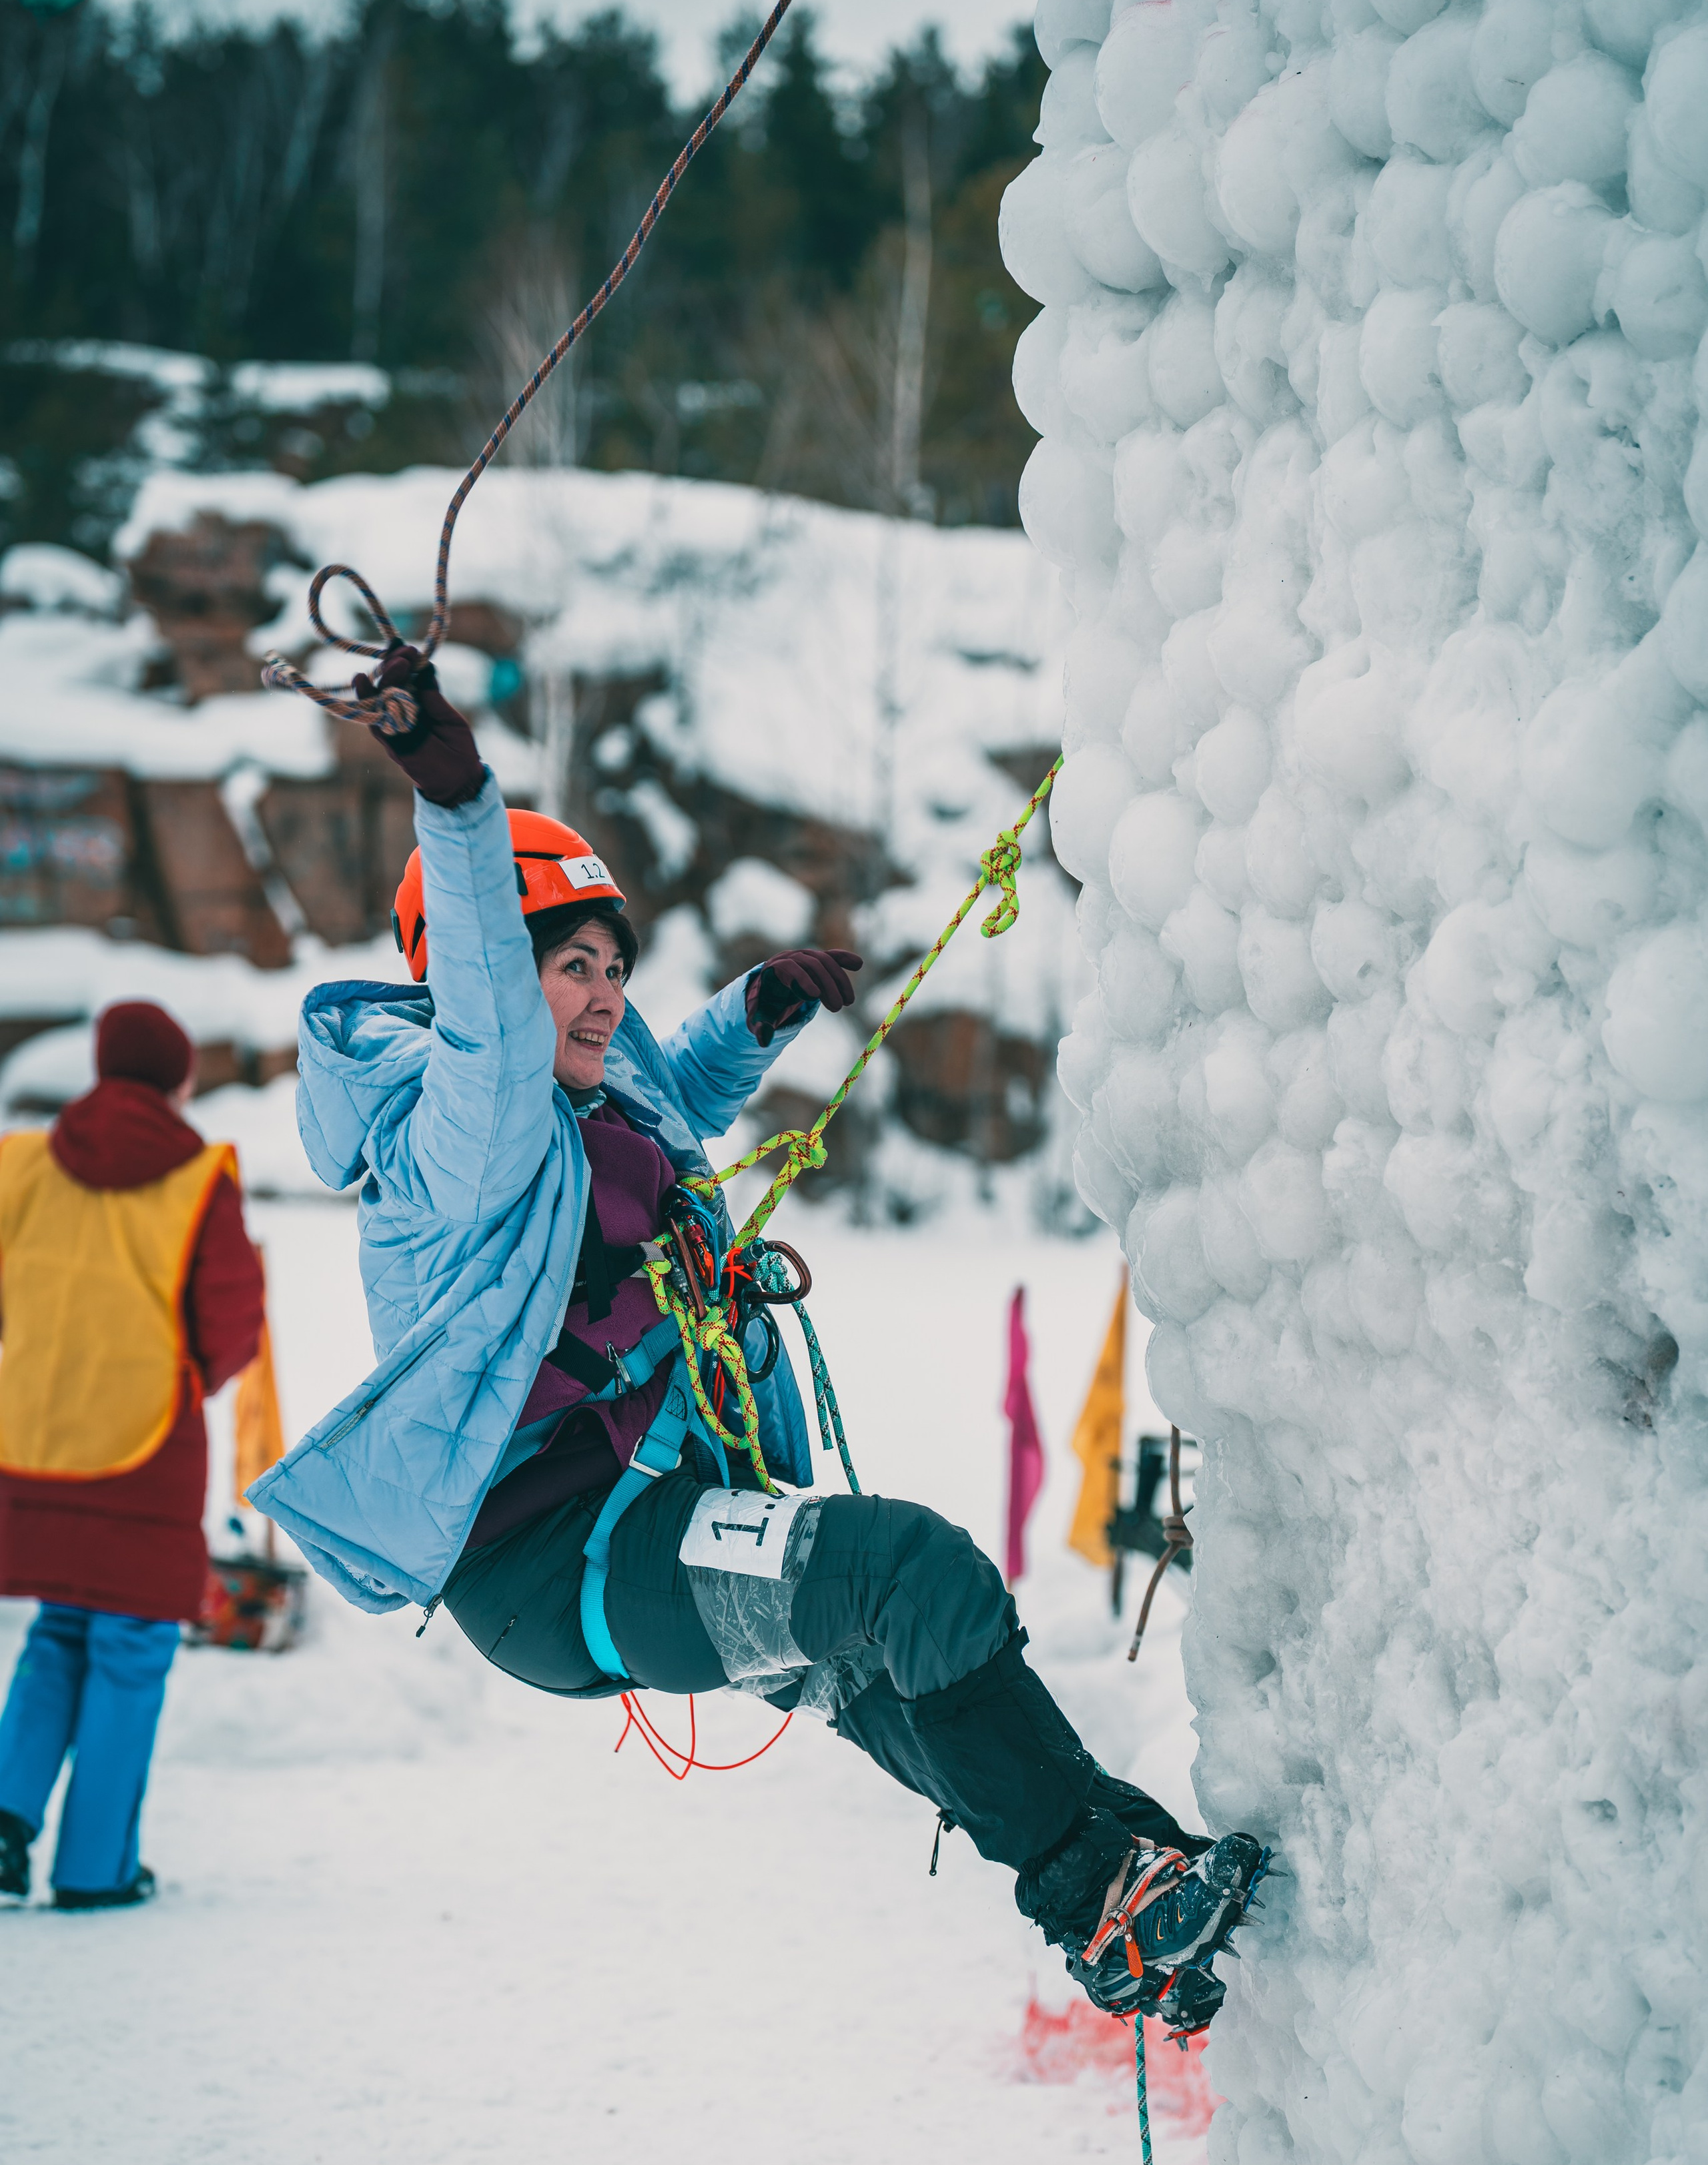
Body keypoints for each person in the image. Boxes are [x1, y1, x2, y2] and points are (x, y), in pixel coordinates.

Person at [251, 651, 1266, 2028]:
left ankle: (1136, 1881)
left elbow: (665, 1098)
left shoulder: (584, 1090)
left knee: (882, 1657)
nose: (604, 994)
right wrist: (457, 793)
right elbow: (488, 999)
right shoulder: (461, 1132)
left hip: (651, 1509)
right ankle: (1102, 1899)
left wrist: (752, 1016)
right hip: (555, 1556)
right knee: (908, 1572)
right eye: (572, 966)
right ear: (480, 975)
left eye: (615, 966)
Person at [0, 1001, 266, 1908]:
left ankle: (4, 1822)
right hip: (146, 1446)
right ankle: (96, 1869)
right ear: (177, 1079)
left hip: (36, 1438)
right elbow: (232, 1321)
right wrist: (189, 1376)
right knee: (131, 1646)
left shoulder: (22, 1164)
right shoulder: (197, 1179)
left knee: (62, 1627)